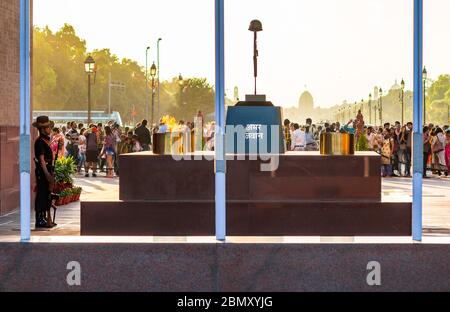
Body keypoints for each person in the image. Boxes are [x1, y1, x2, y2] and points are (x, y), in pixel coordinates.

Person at [33, 116, 56, 229]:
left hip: (47, 169)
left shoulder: (45, 140)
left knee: (46, 194)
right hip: (43, 171)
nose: (50, 129)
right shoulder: (39, 142)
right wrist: (47, 174)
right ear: (42, 129)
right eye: (47, 127)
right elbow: (41, 160)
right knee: (42, 194)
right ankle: (39, 219)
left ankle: (44, 218)